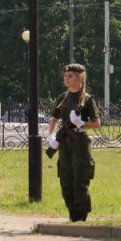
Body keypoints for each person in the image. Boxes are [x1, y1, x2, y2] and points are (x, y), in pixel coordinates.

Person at [46, 63, 101, 222]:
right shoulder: (62, 98)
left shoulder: (87, 99)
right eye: (66, 76)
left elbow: (97, 123)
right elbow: (54, 119)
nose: (67, 79)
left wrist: (81, 124)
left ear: (80, 78)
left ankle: (81, 217)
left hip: (80, 144)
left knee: (80, 183)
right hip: (65, 144)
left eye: (70, 76)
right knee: (66, 183)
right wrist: (51, 136)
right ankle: (72, 215)